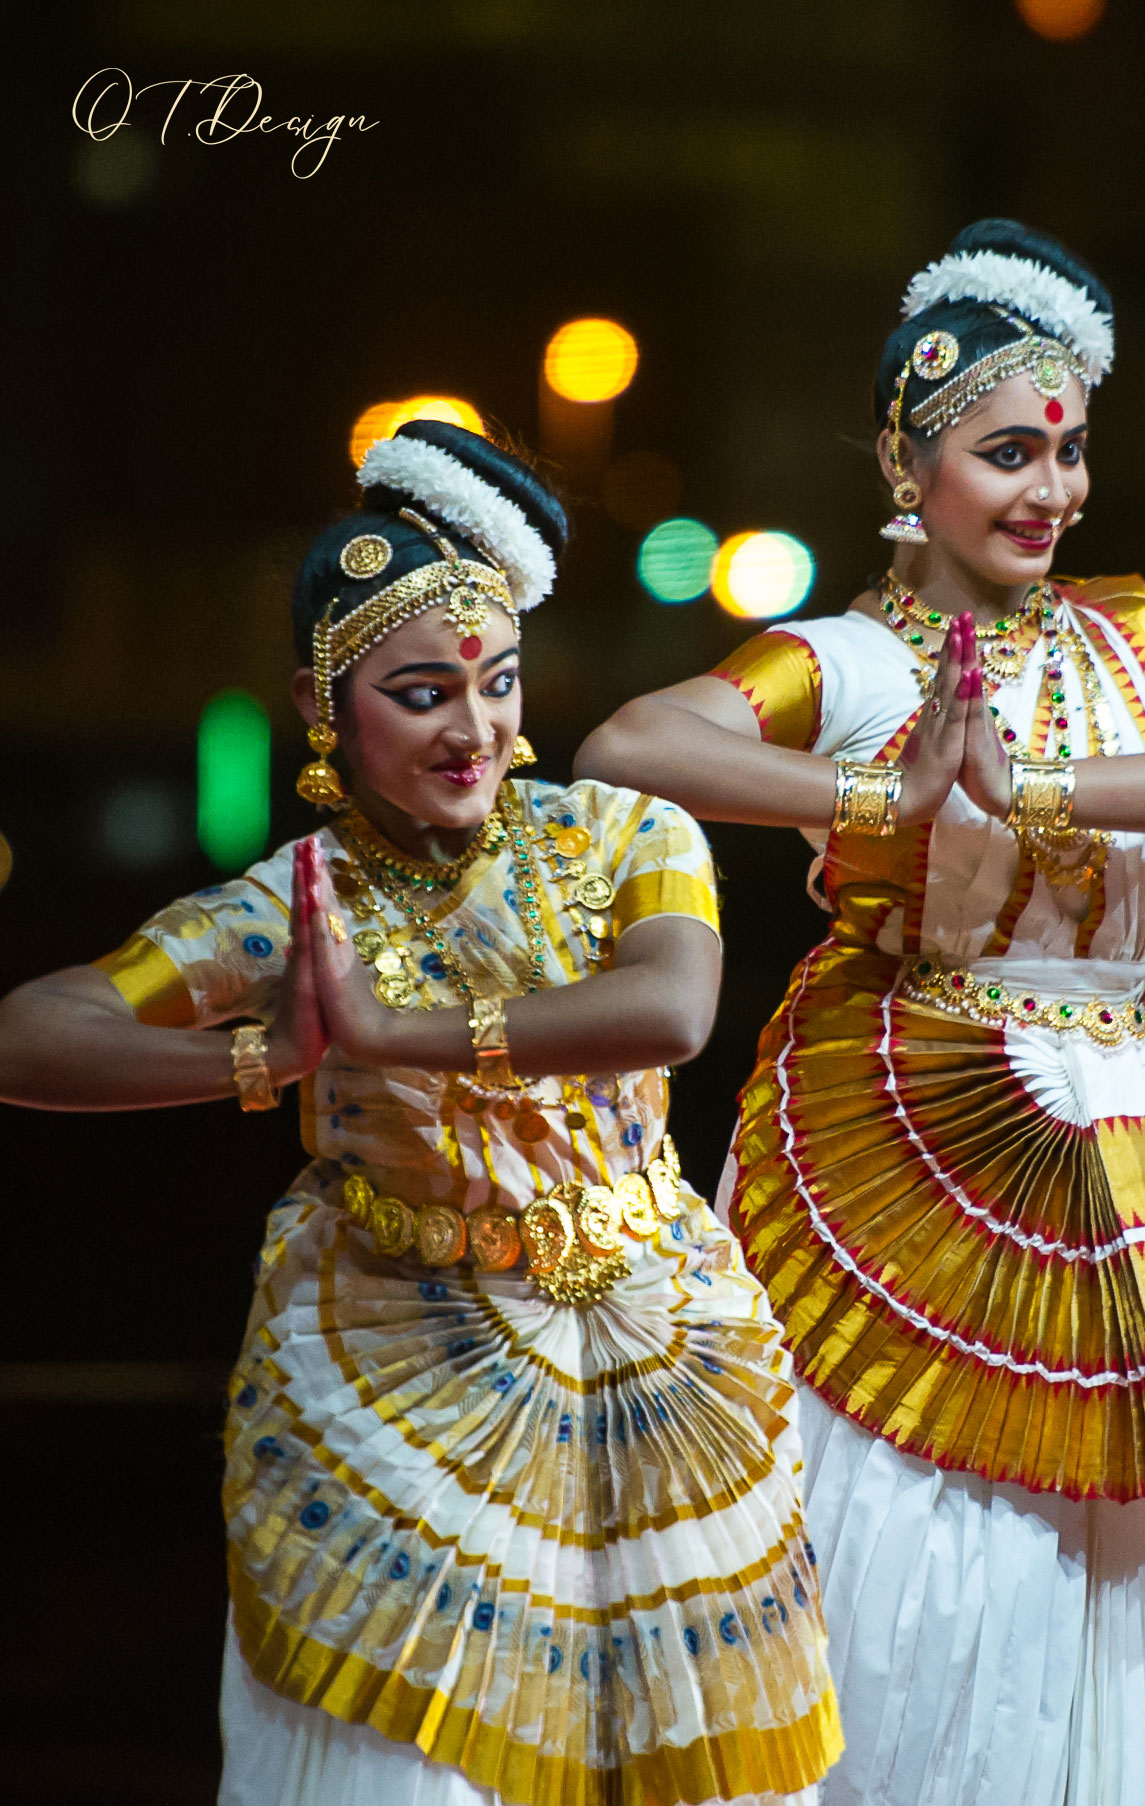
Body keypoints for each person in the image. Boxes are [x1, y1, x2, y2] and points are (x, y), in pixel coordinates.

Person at [574, 219, 1145, 1805]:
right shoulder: (843, 655)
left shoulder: (1144, 625)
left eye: (1069, 448)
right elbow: (629, 745)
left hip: (1112, 1132)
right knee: (900, 1528)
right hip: (902, 1126)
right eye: (1006, 452)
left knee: (1089, 1566)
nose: (1053, 488)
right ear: (913, 473)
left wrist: (1031, 780)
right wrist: (878, 793)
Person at [0, 420, 841, 1806]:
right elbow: (35, 1027)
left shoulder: (625, 832)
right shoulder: (291, 902)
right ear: (323, 705)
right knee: (409, 1770)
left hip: (654, 1342)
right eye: (421, 692)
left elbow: (674, 1010)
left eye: (498, 682)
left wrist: (395, 1036)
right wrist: (251, 1059)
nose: (475, 729)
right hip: (398, 1352)